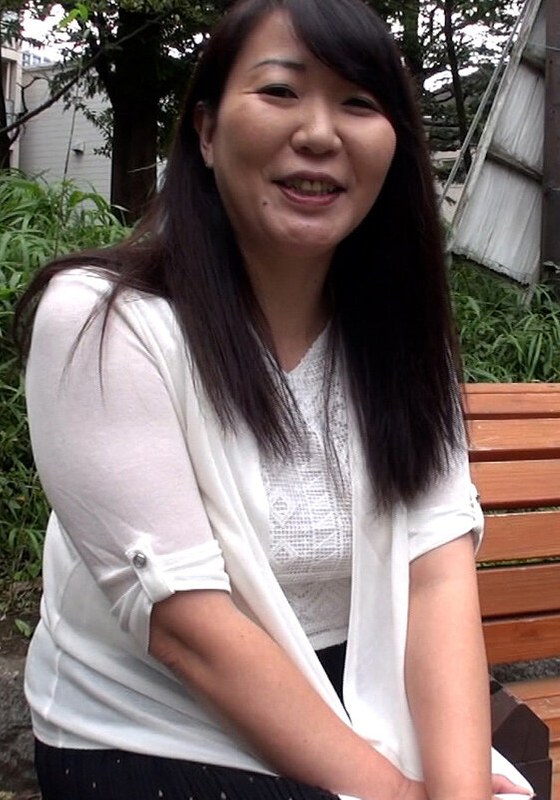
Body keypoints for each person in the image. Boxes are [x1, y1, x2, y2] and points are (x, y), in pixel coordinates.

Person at [16, 1, 533, 799]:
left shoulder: (398, 338)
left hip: (359, 692)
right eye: (281, 91)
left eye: (358, 102)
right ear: (206, 131)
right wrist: (398, 795)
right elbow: (189, 631)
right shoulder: (103, 322)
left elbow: (436, 577)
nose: (320, 133)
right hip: (160, 723)